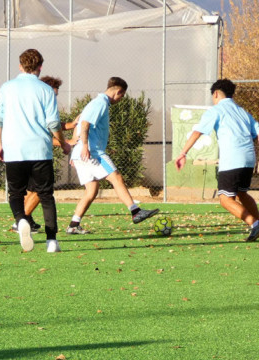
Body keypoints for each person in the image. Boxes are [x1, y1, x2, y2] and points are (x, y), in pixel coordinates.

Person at [0, 49, 72, 253]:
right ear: (40, 67)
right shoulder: (45, 90)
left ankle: (21, 221)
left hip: (14, 150)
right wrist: (63, 143)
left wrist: (0, 143)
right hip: (40, 151)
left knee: (15, 194)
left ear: (20, 66)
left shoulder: (7, 88)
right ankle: (52, 241)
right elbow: (53, 123)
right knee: (46, 195)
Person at [66, 77, 159, 234]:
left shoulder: (96, 103)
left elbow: (79, 124)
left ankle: (73, 225)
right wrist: (85, 147)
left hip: (82, 153)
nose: (121, 99)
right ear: (118, 92)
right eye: (122, 96)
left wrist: (77, 151)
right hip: (93, 152)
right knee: (116, 177)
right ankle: (135, 211)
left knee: (91, 191)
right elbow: (84, 124)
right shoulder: (100, 103)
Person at [176, 79, 259, 242]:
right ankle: (257, 223)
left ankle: (255, 223)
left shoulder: (216, 110)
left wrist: (183, 153)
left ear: (215, 94)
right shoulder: (243, 112)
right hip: (249, 159)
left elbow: (197, 132)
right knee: (242, 193)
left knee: (225, 199)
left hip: (232, 160)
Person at [9, 75, 80, 233]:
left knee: (30, 190)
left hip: (21, 153)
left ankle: (27, 220)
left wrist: (71, 125)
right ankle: (21, 222)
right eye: (53, 93)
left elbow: (54, 124)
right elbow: (44, 134)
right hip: (34, 153)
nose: (54, 97)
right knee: (39, 191)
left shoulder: (33, 103)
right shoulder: (40, 103)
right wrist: (65, 142)